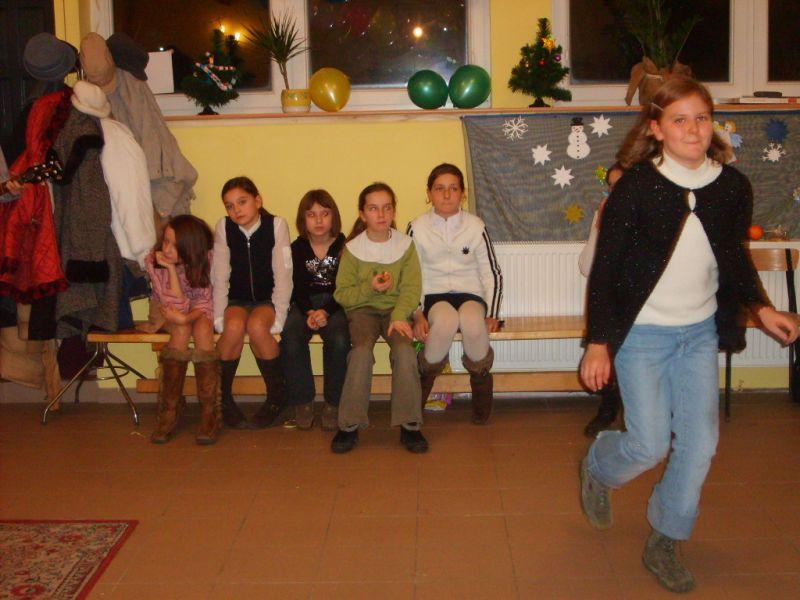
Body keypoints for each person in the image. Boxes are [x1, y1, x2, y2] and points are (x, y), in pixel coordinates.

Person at [578, 76, 799, 593]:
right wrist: (598, 342)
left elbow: (733, 258)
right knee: (648, 444)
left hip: (697, 332)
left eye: (702, 118)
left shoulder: (732, 187)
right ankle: (598, 467)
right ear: (656, 128)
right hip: (642, 335)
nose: (693, 129)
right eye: (679, 119)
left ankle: (666, 537)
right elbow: (606, 269)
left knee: (700, 444)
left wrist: (762, 309)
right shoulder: (636, 187)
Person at [330, 182, 425, 453]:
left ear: (393, 211)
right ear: (363, 215)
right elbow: (342, 294)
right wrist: (369, 287)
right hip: (363, 311)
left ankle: (410, 425)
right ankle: (349, 424)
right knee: (360, 352)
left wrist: (400, 316)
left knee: (405, 351)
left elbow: (411, 288)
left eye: (387, 208)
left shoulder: (405, 245)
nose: (381, 214)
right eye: (373, 209)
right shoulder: (353, 249)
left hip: (397, 311)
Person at [407, 163, 503, 424]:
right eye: (439, 189)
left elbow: (492, 273)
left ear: (463, 193)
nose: (447, 194)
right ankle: (419, 391)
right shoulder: (417, 227)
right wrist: (417, 313)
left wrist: (493, 313)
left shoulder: (475, 226)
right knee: (447, 320)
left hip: (470, 293)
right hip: (433, 295)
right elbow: (411, 275)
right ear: (429, 193)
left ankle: (481, 384)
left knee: (472, 321)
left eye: (453, 188)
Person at [211, 176, 292, 429]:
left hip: (267, 301)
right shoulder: (224, 227)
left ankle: (277, 399)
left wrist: (279, 317)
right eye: (230, 205)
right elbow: (219, 276)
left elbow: (283, 275)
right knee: (233, 327)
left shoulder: (276, 225)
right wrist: (218, 317)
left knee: (257, 327)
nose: (236, 210)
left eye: (242, 202)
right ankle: (221, 400)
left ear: (258, 201)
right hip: (237, 299)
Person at [146, 215, 218, 445]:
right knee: (180, 330)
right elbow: (172, 306)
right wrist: (169, 268)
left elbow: (205, 302)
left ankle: (209, 412)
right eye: (166, 241)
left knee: (203, 329)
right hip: (165, 311)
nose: (167, 249)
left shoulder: (207, 258)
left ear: (191, 248)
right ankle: (169, 410)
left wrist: (186, 317)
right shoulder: (154, 261)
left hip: (199, 310)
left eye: (175, 245)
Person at [281, 189, 350, 430]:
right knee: (290, 336)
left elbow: (345, 287)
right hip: (304, 304)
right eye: (311, 215)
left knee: (340, 339)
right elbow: (296, 287)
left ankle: (333, 403)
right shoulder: (297, 248)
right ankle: (302, 401)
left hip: (336, 303)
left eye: (325, 214)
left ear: (334, 217)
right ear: (303, 219)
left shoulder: (345, 246)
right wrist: (310, 311)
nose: (318, 220)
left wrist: (326, 311)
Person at [578, 163, 625, 438]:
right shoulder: (605, 213)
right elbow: (586, 267)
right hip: (613, 303)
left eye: (621, 186)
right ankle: (609, 407)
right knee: (605, 330)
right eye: (611, 188)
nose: (614, 194)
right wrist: (599, 229)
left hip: (645, 307)